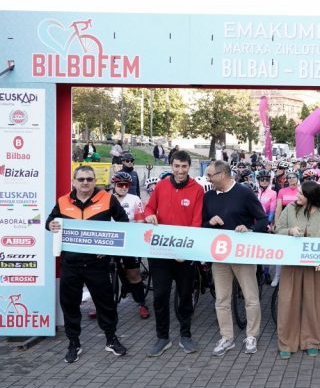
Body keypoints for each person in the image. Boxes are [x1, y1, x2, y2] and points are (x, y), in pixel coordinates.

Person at [46, 165, 129, 363]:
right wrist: (51, 224)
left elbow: (124, 222)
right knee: (70, 305)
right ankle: (74, 343)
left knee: (106, 304)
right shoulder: (63, 201)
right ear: (74, 181)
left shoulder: (107, 199)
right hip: (71, 263)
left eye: (89, 179)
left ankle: (111, 339)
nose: (85, 183)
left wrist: (109, 247)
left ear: (95, 181)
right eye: (81, 179)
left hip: (97, 264)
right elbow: (50, 221)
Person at [202, 161, 268, 356]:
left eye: (211, 175)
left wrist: (248, 229)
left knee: (250, 297)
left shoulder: (244, 193)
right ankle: (227, 337)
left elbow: (263, 220)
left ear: (222, 174)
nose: (208, 178)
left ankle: (251, 335)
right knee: (221, 299)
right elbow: (202, 225)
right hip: (220, 254)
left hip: (242, 253)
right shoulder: (208, 197)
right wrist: (209, 222)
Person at [143, 151, 204, 357]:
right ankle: (162, 337)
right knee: (160, 296)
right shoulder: (161, 185)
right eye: (176, 166)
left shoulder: (196, 189)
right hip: (160, 252)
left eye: (184, 167)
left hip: (183, 254)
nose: (180, 171)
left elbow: (196, 222)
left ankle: (185, 335)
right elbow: (149, 207)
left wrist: (186, 250)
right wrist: (149, 214)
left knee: (185, 296)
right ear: (171, 166)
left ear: (189, 167)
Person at [274, 181, 320, 358]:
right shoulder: (290, 209)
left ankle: (312, 341)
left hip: (314, 264)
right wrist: (290, 231)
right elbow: (278, 229)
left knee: (313, 302)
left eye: (301, 194)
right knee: (287, 301)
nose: (297, 196)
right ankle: (287, 342)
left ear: (311, 197)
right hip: (291, 262)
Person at [111, 171, 150, 319]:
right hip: (111, 241)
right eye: (120, 185)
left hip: (130, 240)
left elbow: (140, 221)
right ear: (114, 185)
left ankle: (141, 303)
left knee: (133, 273)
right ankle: (100, 304)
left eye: (126, 185)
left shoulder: (134, 199)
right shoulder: (107, 198)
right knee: (105, 273)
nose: (123, 187)